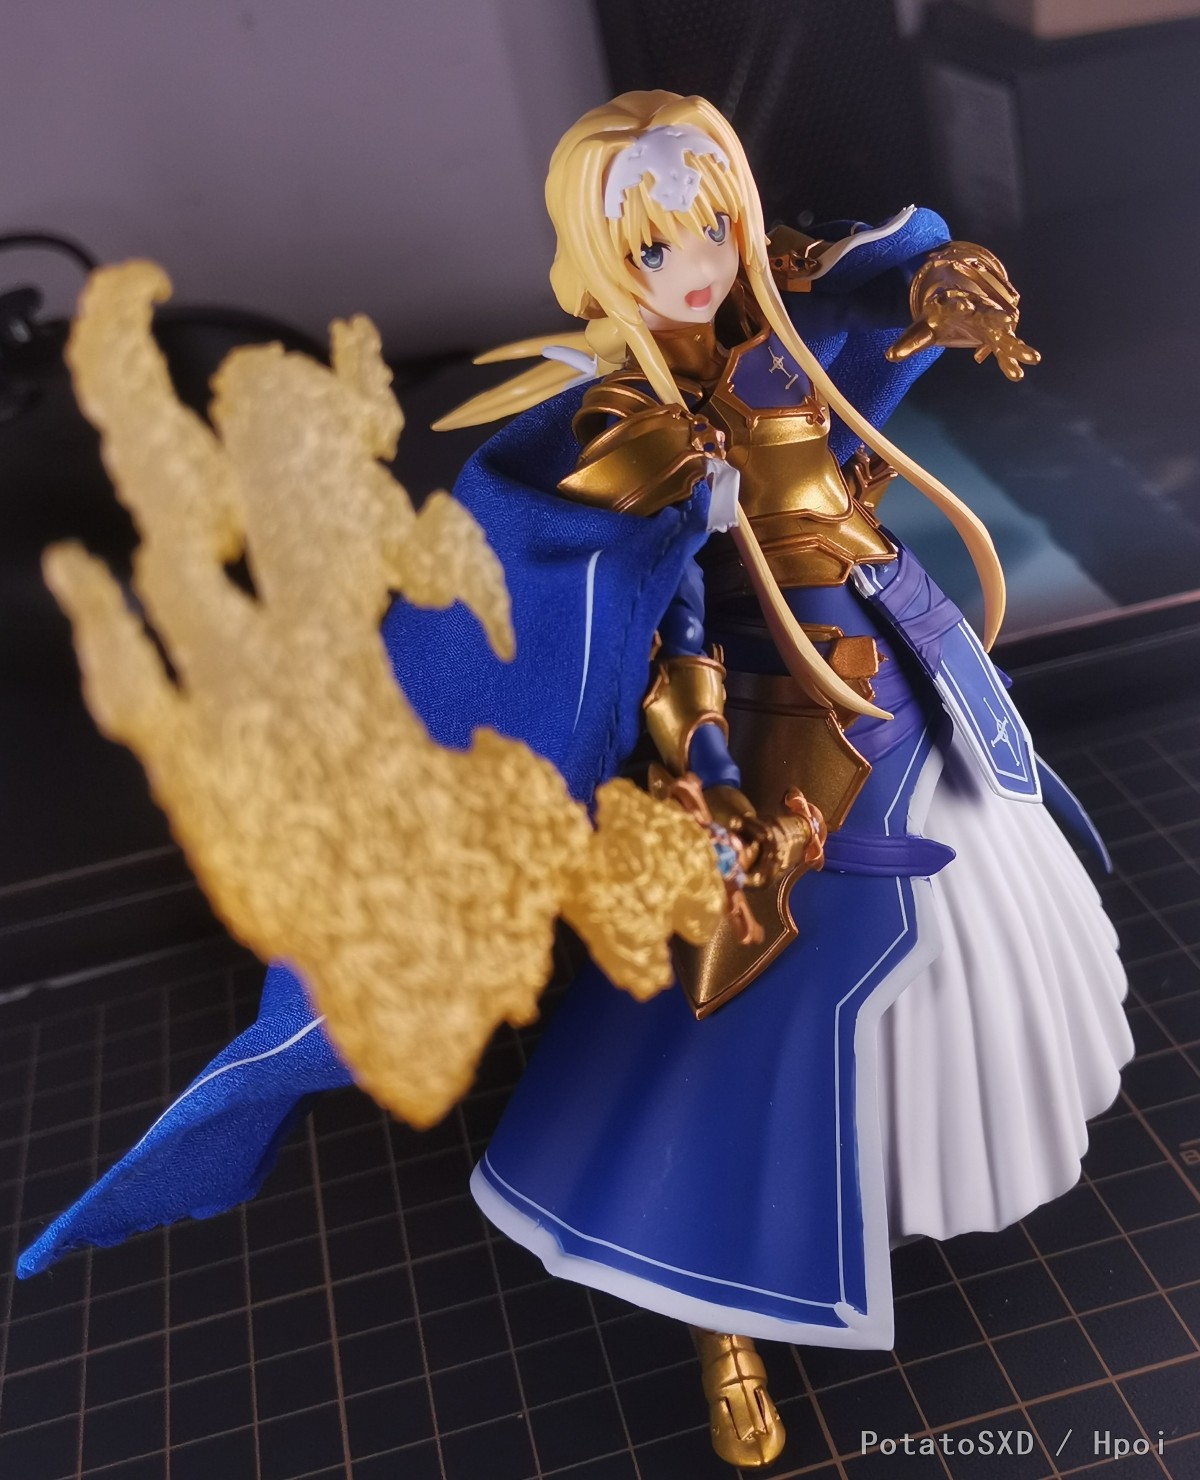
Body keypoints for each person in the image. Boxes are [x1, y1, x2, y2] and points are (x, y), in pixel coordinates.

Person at [20, 91, 1131, 1472]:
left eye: (710, 227)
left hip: (904, 655)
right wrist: (708, 774)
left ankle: (891, 1184)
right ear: (603, 260)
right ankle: (724, 1325)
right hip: (775, 714)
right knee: (746, 1019)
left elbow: (860, 321)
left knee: (968, 934)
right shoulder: (625, 421)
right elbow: (651, 626)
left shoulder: (779, 325)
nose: (697, 267)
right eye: (656, 248)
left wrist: (933, 300)